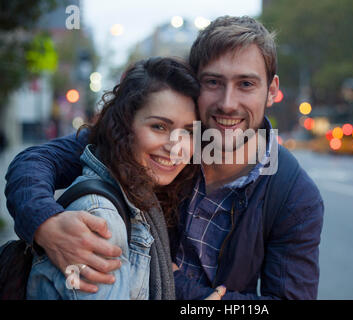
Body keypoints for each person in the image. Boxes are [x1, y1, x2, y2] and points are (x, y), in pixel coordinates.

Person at [5, 16, 324, 300]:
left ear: (271, 91)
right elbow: (38, 159)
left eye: (246, 84)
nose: (228, 103)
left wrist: (192, 296)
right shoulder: (159, 144)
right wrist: (44, 221)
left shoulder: (293, 195)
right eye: (213, 82)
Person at [23, 57, 225, 300]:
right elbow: (36, 159)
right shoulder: (100, 221)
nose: (175, 147)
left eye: (189, 132)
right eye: (159, 127)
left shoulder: (140, 198)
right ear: (124, 125)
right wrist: (42, 222)